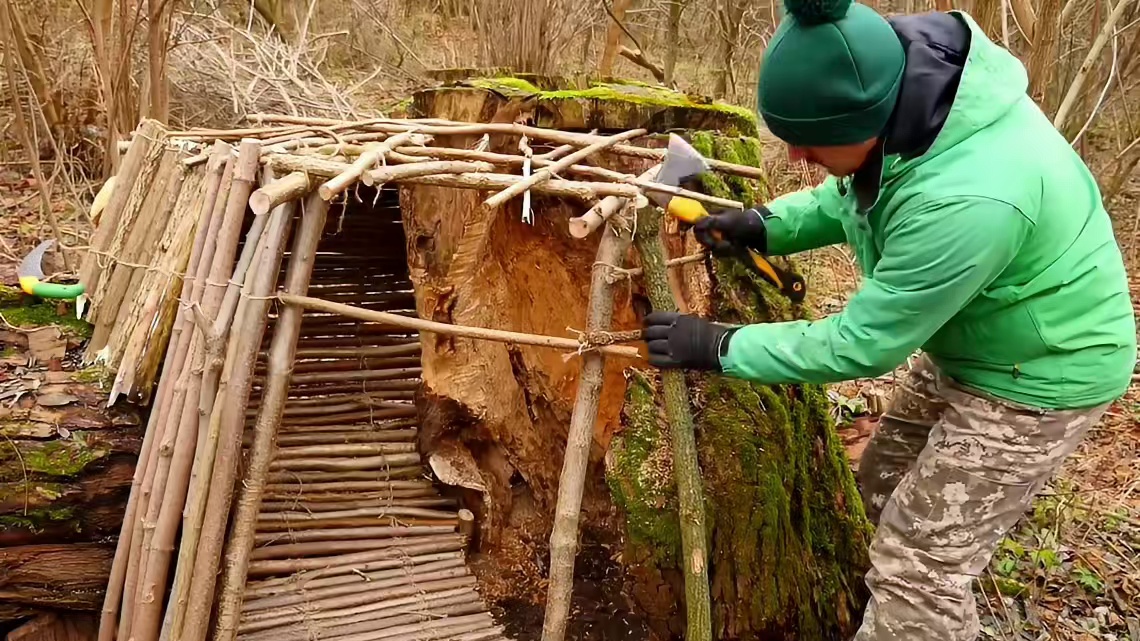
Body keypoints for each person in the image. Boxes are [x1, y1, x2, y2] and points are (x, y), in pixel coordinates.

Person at [641, 0, 1137, 639]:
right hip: (976, 339)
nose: (794, 155)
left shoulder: (973, 195)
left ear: (864, 119)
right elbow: (857, 187)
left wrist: (720, 346)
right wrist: (769, 224)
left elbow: (861, 343)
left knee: (920, 564)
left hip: (1043, 376)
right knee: (878, 491)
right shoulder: (912, 102)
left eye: (810, 142)